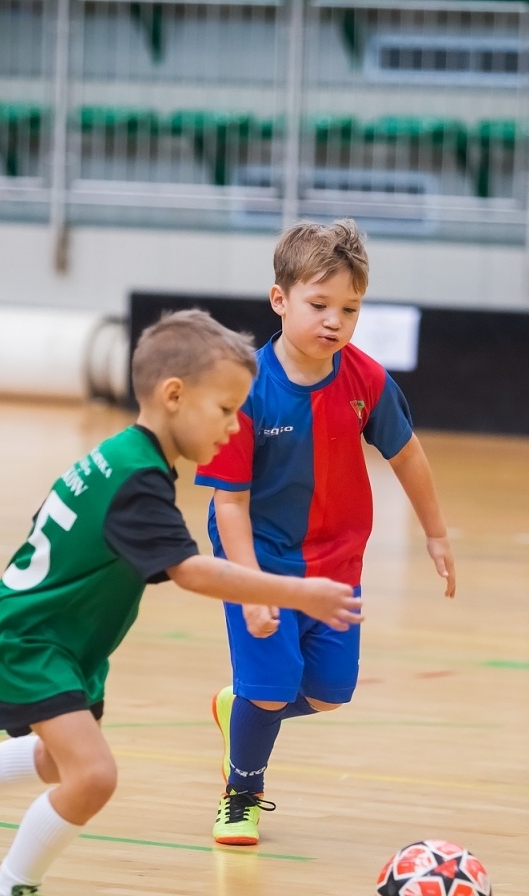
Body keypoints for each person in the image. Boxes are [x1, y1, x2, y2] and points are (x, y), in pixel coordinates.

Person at [0, 309, 363, 896]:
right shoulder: (138, 480)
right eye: (225, 409)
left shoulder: (125, 458)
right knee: (93, 775)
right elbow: (192, 573)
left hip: (59, 637)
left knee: (58, 760)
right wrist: (296, 591)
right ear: (174, 396)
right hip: (34, 641)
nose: (233, 425)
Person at [194, 219, 455, 846]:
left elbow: (409, 455)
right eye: (319, 304)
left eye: (350, 308)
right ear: (279, 299)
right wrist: (251, 588)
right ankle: (242, 794)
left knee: (331, 693)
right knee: (270, 687)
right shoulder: (244, 391)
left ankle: (242, 708)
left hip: (337, 565)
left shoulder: (365, 380)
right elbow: (229, 505)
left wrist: (436, 533)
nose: (334, 321)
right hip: (262, 561)